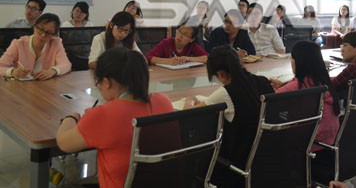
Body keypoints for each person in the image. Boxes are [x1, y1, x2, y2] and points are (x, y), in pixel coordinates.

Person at [56, 48, 174, 188]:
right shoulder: (163, 101)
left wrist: (71, 117)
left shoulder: (102, 115)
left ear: (106, 82)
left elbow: (64, 143)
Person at [184, 45, 273, 187]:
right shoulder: (263, 81)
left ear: (221, 74)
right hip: (265, 161)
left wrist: (190, 100)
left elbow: (189, 114)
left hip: (235, 166)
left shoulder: (226, 92)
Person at [270, 41, 340, 163]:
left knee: (273, 119)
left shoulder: (296, 86)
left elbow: (271, 101)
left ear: (297, 61)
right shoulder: (323, 82)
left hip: (308, 147)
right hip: (329, 144)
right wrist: (285, 85)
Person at [0, 13, 71, 79]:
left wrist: (53, 71)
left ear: (54, 34)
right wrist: (12, 72)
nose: (43, 35)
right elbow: (1, 66)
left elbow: (66, 64)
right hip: (21, 86)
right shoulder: (18, 44)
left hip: (45, 85)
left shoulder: (56, 43)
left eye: (48, 32)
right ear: (34, 27)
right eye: (40, 29)